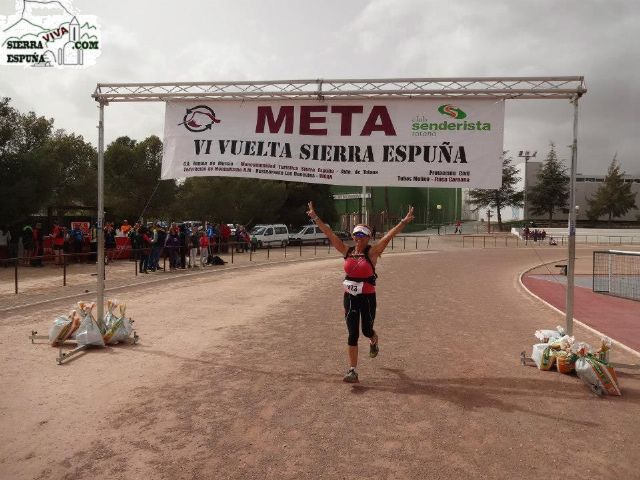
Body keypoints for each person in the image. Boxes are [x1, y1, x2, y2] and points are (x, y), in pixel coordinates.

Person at [306, 201, 415, 383]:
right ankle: (352, 370)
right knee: (352, 333)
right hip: (349, 297)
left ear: (368, 237)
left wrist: (404, 221)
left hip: (367, 298)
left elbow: (389, 236)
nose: (357, 237)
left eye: (362, 235)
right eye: (355, 234)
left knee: (366, 330)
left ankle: (374, 340)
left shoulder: (372, 253)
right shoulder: (346, 251)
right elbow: (329, 233)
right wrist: (315, 217)